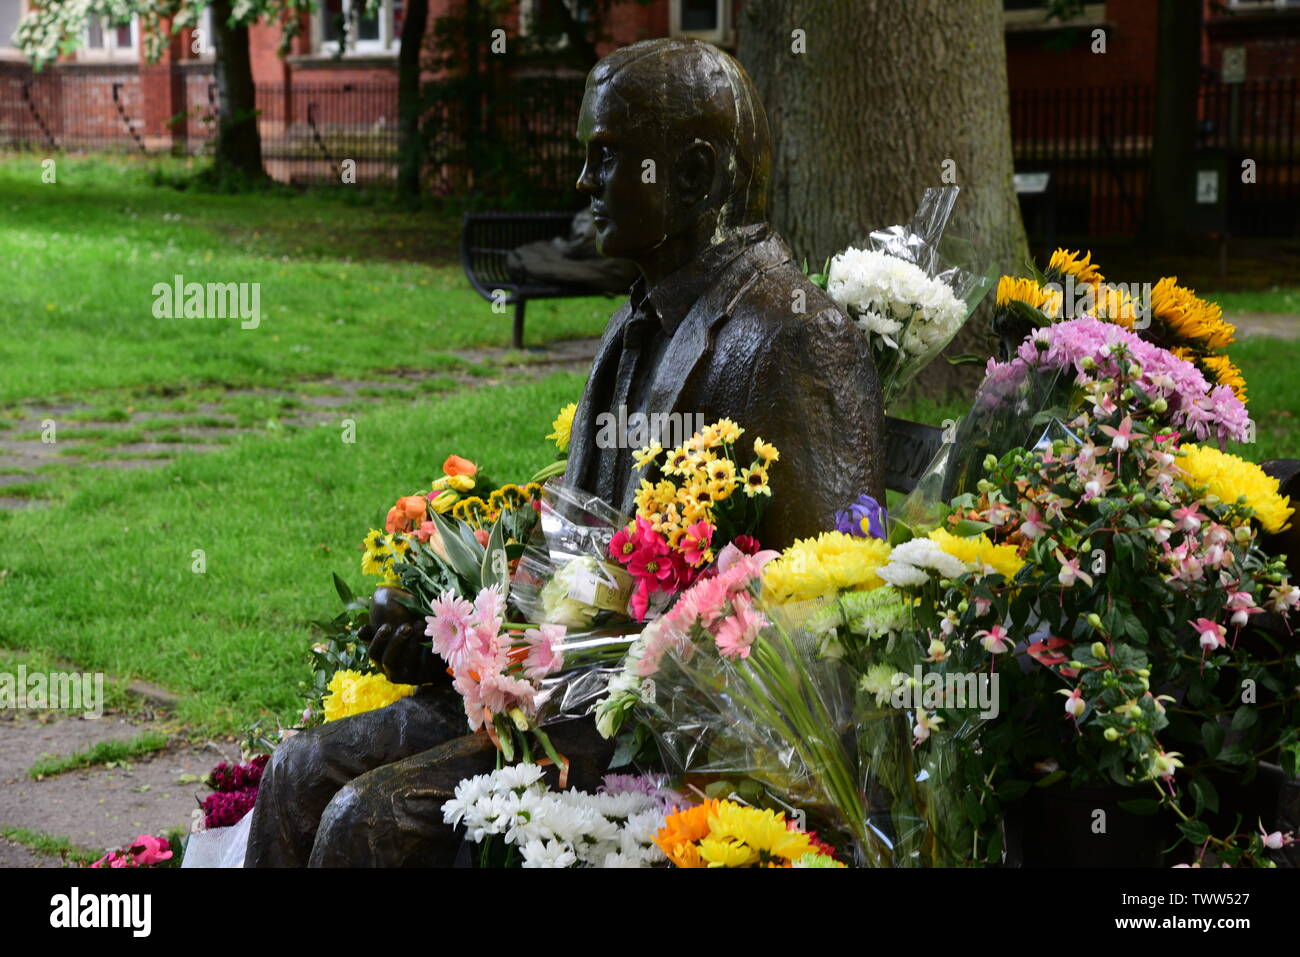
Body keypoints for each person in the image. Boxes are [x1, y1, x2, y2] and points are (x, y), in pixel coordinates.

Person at [246, 36, 883, 868]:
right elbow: (575, 547)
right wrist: (459, 627)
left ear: (692, 175)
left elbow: (815, 640)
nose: (583, 182)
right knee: (298, 770)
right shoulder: (634, 321)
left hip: (667, 741)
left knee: (365, 821)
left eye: (608, 156)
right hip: (565, 689)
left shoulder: (793, 336)